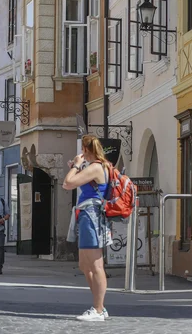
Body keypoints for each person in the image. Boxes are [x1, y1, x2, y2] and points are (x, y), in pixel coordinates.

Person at [62, 134, 111, 322]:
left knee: (97, 264)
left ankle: (98, 310)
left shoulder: (97, 167)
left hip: (92, 214)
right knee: (84, 264)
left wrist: (75, 166)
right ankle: (100, 305)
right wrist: (77, 167)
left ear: (85, 150)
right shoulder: (94, 167)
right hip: (86, 213)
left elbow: (67, 183)